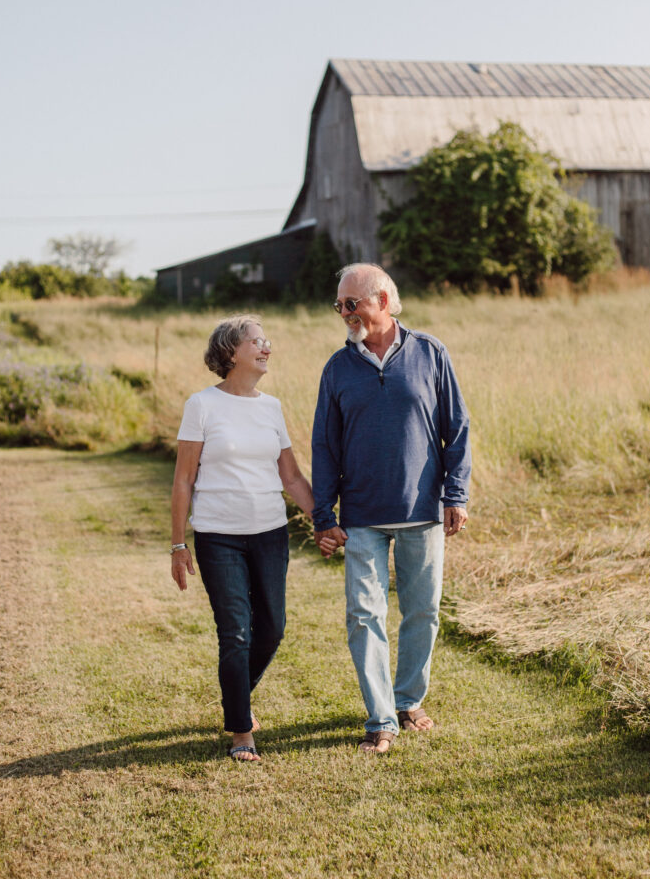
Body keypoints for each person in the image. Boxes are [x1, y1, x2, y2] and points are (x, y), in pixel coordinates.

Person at [312, 263, 471, 754]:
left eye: (351, 303)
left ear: (382, 300)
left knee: (422, 612)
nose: (344, 313)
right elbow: (324, 445)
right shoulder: (337, 368)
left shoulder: (430, 352)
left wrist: (456, 493)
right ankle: (381, 719)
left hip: (422, 510)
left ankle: (408, 700)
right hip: (361, 516)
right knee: (364, 615)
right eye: (339, 305)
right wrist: (324, 514)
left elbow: (457, 429)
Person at [171, 315, 315, 763]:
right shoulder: (202, 405)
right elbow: (183, 480)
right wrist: (179, 544)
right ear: (232, 352)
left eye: (268, 341)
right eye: (258, 341)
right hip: (219, 537)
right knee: (235, 633)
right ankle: (240, 731)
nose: (267, 347)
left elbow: (289, 476)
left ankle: (237, 699)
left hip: (270, 533)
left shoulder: (270, 407)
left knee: (272, 628)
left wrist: (325, 520)